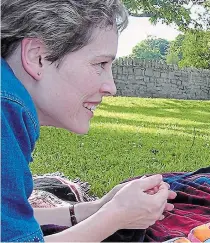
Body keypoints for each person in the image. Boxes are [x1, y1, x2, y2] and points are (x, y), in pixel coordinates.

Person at [1, 0, 176, 241]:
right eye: (100, 64)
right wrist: (116, 217)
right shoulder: (5, 107)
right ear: (37, 57)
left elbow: (10, 221)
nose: (111, 87)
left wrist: (97, 208)